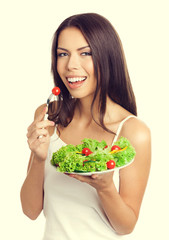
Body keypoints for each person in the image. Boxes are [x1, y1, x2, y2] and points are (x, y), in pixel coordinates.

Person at [20, 13, 151, 240]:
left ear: (107, 57)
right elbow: (30, 211)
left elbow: (126, 226)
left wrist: (105, 187)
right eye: (63, 54)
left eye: (85, 53)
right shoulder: (49, 115)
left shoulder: (133, 131)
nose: (71, 65)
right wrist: (39, 159)